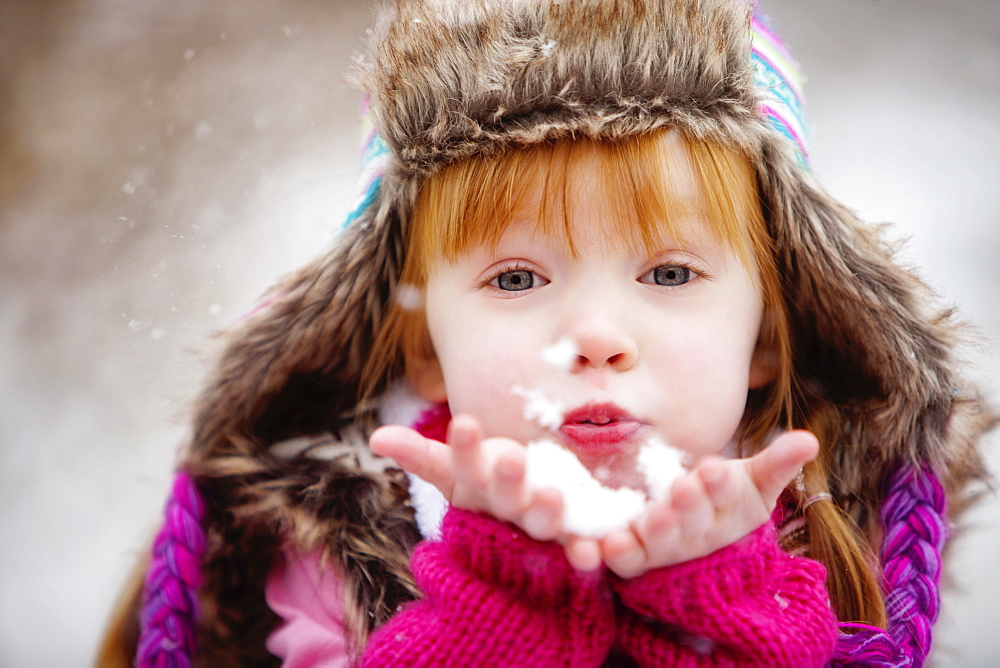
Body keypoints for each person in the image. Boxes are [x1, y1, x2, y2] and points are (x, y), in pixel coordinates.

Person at [98, 0, 994, 666]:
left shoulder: (842, 548)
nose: (596, 336)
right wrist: (496, 609)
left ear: (769, 333)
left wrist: (716, 607)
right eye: (517, 278)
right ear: (421, 342)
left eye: (670, 274)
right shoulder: (329, 560)